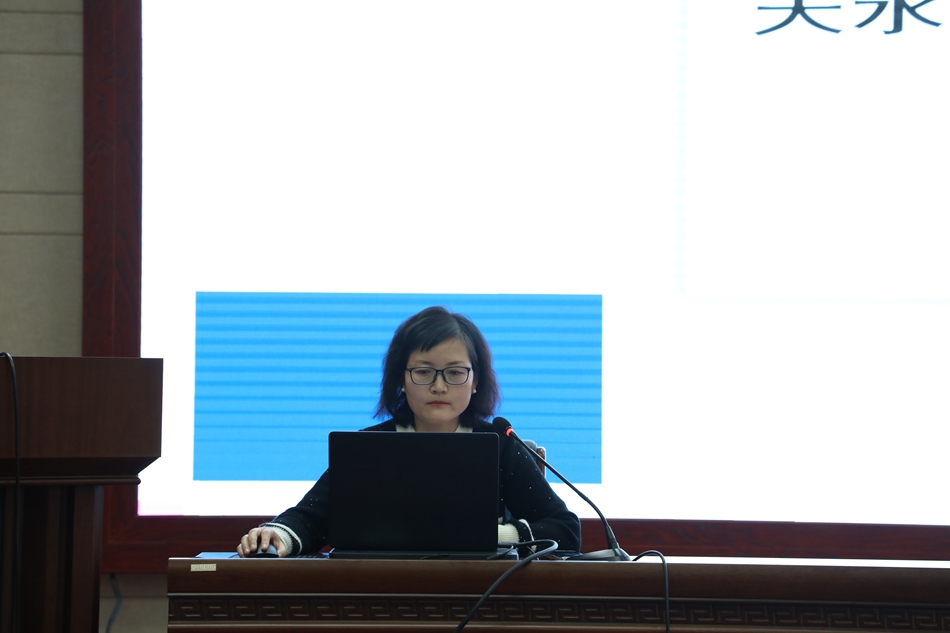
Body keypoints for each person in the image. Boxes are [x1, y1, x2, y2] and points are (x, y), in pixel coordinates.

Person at [238, 306, 581, 557]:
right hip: (381, 593)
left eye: (454, 373)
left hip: (478, 594)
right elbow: (312, 518)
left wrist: (492, 535)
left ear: (475, 381)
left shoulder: (499, 444)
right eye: (424, 371)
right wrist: (277, 534)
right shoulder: (369, 447)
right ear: (401, 378)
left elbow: (564, 530)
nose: (438, 386)